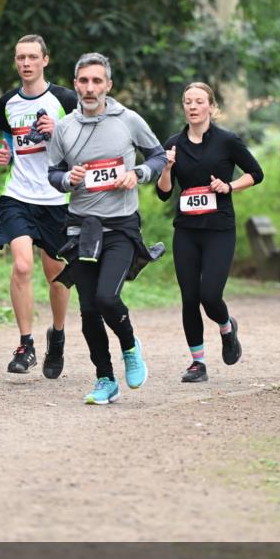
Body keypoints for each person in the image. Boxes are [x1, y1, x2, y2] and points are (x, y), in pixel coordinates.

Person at [47, 52, 167, 405]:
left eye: (97, 81)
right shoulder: (64, 128)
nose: (90, 88)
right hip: (81, 228)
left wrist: (139, 173)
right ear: (75, 84)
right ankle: (105, 379)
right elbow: (53, 173)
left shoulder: (128, 120)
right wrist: (68, 179)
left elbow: (159, 155)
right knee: (88, 311)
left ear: (108, 85)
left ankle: (129, 346)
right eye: (84, 81)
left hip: (120, 227)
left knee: (106, 298)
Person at [156, 83, 263, 383]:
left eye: (199, 101)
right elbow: (163, 193)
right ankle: (197, 362)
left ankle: (227, 328)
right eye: (188, 101)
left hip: (219, 229)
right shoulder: (173, 143)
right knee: (189, 297)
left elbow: (256, 173)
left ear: (211, 107)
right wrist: (167, 168)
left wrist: (228, 186)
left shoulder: (227, 141)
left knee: (210, 296)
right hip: (186, 231)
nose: (193, 106)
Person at [0, 34, 77, 375]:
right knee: (22, 266)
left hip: (57, 198)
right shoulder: (7, 103)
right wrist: (6, 155)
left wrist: (58, 130)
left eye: (31, 57)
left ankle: (57, 335)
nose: (26, 63)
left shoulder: (65, 99)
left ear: (45, 60)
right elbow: (10, 143)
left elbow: (84, 144)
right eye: (20, 58)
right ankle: (25, 344)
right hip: (18, 195)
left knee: (56, 275)